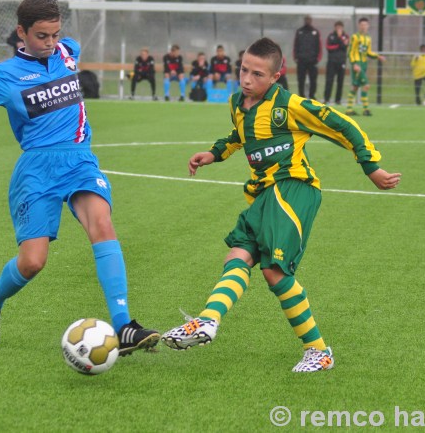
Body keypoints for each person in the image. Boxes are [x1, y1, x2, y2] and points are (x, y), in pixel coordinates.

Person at [161, 37, 401, 372]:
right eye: (244, 69)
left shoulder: (289, 106)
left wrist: (371, 167)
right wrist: (214, 154)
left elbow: (341, 124)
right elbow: (239, 136)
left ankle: (318, 352)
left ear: (276, 76)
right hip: (263, 194)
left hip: (293, 188)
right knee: (239, 254)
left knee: (274, 270)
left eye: (257, 74)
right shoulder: (237, 103)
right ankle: (207, 321)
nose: (247, 79)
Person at [0, 0, 160, 353]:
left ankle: (124, 325)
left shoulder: (68, 51)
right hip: (37, 168)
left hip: (79, 160)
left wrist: (56, 39)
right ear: (21, 32)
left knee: (102, 224)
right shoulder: (6, 75)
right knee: (33, 262)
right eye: (41, 36)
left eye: (55, 34)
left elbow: (66, 44)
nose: (50, 43)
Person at [346, 17, 386, 116]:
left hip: (364, 64)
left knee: (355, 86)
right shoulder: (355, 37)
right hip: (357, 64)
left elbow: (368, 52)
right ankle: (366, 109)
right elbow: (350, 51)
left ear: (368, 26)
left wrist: (378, 56)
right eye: (362, 25)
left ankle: (349, 109)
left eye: (365, 25)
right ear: (359, 26)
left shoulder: (368, 38)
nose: (364, 27)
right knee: (366, 85)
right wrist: (354, 63)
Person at [293, 15, 322, 99]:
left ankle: (312, 96)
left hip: (312, 60)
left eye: (309, 20)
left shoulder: (315, 32)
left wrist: (318, 58)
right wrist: (296, 57)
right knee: (300, 79)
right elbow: (295, 45)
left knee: (313, 80)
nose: (307, 21)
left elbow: (319, 46)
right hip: (301, 60)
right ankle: (301, 95)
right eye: (306, 20)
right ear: (304, 21)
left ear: (311, 21)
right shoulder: (299, 31)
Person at [324, 21, 349, 104]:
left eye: (340, 27)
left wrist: (339, 38)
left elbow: (345, 46)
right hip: (332, 62)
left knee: (340, 81)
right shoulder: (331, 36)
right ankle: (326, 99)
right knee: (329, 81)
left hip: (341, 61)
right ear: (335, 27)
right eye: (337, 27)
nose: (339, 29)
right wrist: (338, 45)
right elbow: (329, 47)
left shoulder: (345, 36)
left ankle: (338, 100)